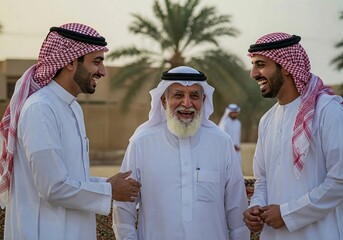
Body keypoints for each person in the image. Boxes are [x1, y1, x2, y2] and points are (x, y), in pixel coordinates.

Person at [0, 23, 141, 240]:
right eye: (97, 62)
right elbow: (53, 187)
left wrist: (106, 183)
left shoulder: (72, 108)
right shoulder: (41, 108)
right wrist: (109, 191)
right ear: (70, 62)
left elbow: (71, 178)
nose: (103, 71)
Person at [112, 66, 250, 240]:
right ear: (163, 101)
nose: (187, 103)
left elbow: (237, 211)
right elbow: (124, 209)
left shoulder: (222, 142)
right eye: (178, 95)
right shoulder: (141, 143)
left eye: (194, 96)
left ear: (203, 100)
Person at [242, 32, 343, 239]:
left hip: (319, 233)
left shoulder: (327, 111)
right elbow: (262, 180)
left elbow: (340, 180)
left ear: (286, 66)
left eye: (260, 64)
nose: (253, 73)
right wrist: (257, 207)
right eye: (253, 65)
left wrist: (288, 214)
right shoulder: (267, 120)